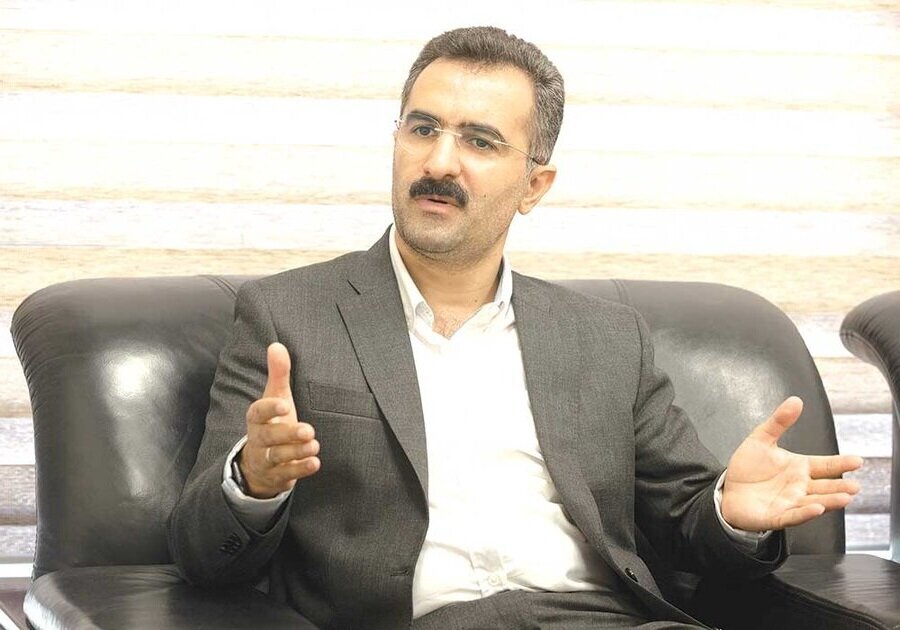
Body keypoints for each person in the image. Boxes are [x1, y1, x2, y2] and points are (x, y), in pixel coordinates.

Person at [168, 26, 862, 629]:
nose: (440, 162)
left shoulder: (607, 339)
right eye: (423, 129)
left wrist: (733, 512)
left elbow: (686, 522)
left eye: (480, 140)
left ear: (534, 186)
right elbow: (202, 555)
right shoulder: (287, 316)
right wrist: (254, 482)